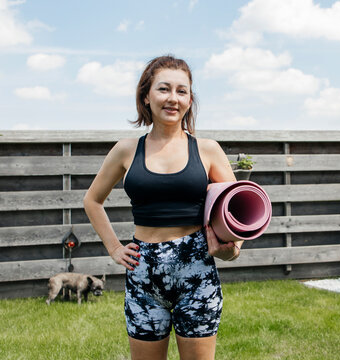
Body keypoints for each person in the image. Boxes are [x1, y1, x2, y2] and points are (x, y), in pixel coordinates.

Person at [83, 55, 243, 360]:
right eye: (164, 89)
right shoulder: (126, 150)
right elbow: (92, 200)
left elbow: (238, 212)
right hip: (143, 274)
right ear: (146, 95)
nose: (173, 98)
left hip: (196, 271)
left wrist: (230, 249)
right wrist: (115, 248)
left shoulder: (207, 149)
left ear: (190, 99)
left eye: (182, 91)